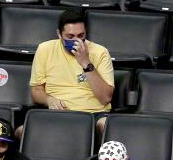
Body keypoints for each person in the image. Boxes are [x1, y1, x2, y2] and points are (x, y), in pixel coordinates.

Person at [26, 8, 114, 139]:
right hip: (59, 113)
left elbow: (105, 98)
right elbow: (36, 91)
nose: (76, 41)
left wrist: (86, 63)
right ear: (59, 34)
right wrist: (48, 99)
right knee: (22, 132)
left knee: (106, 125)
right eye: (70, 36)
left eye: (81, 36)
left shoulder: (100, 52)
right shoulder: (45, 49)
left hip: (94, 114)